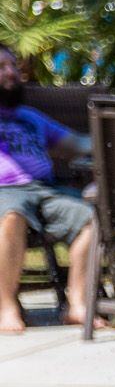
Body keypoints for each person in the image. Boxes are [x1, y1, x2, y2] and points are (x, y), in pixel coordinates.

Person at [0, 43, 98, 333]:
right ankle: (5, 307)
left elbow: (78, 144)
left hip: (46, 190)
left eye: (13, 66)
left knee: (92, 218)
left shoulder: (30, 117)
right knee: (12, 215)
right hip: (6, 193)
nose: (11, 72)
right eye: (1, 67)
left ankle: (77, 305)